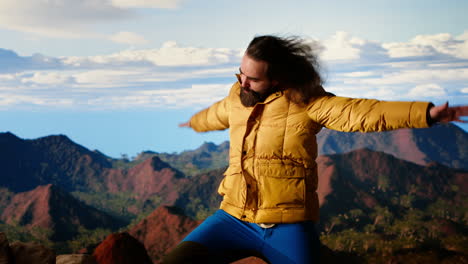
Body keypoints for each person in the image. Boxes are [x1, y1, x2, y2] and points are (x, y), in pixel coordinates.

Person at [163, 35, 468, 264]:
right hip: (232, 218)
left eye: (253, 79)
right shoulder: (237, 96)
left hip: (286, 225)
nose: (242, 82)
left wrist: (425, 114)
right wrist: (194, 122)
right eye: (239, 73)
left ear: (277, 78)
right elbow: (217, 113)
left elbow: (360, 113)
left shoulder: (307, 103)